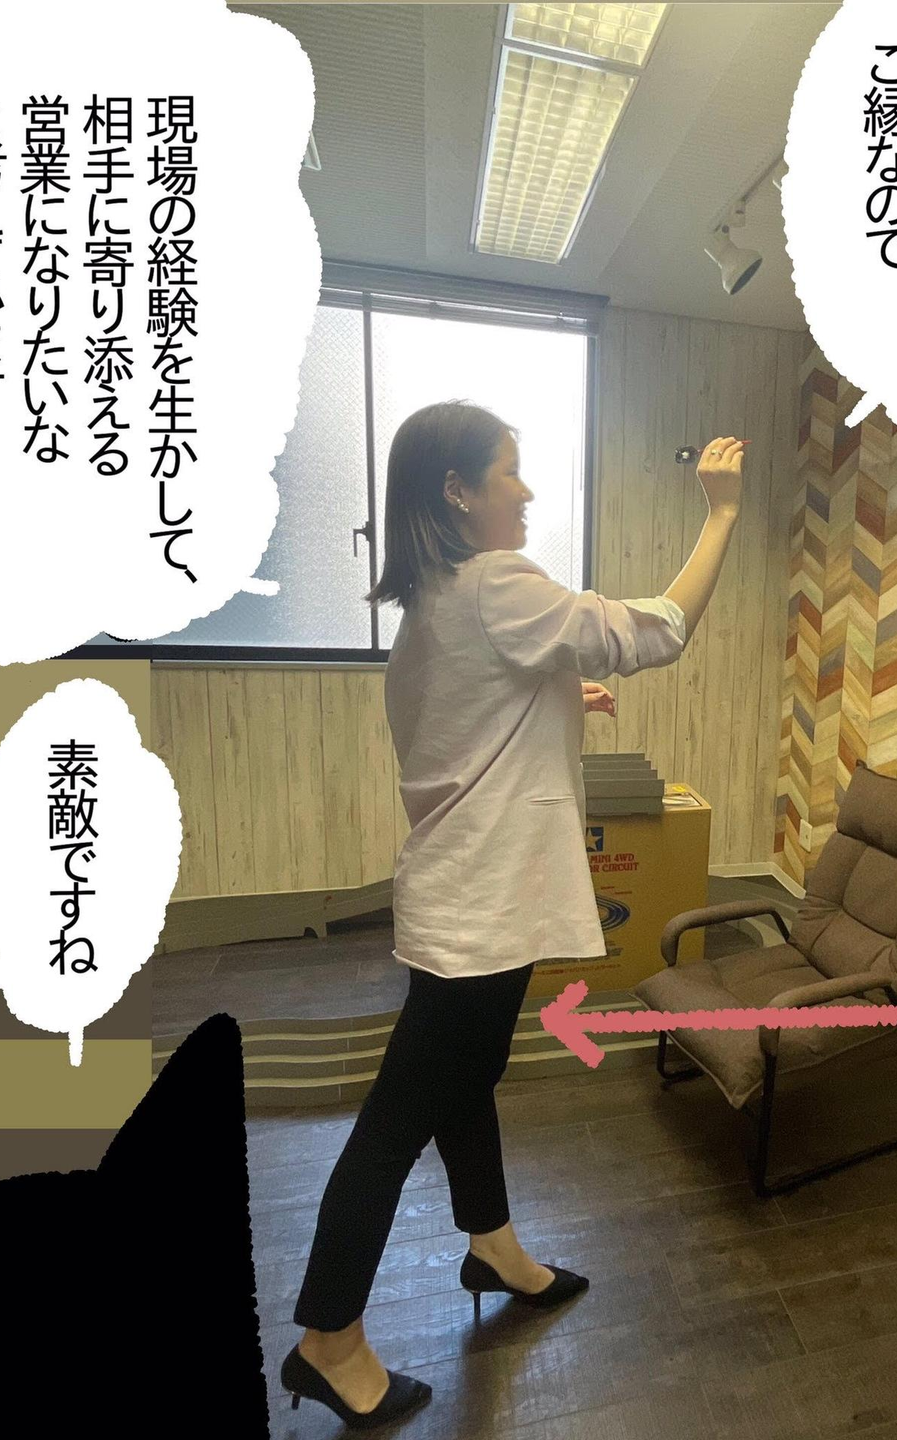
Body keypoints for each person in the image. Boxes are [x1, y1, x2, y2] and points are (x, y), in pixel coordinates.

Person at [280, 400, 746, 1428]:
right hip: (480, 910)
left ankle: (491, 1245)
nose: (526, 492)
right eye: (509, 472)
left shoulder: (432, 606)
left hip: (458, 898)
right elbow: (657, 631)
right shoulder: (497, 582)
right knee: (396, 1121)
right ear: (457, 492)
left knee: (464, 1078)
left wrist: (560, 698)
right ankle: (327, 1340)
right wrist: (719, 515)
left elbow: (465, 722)